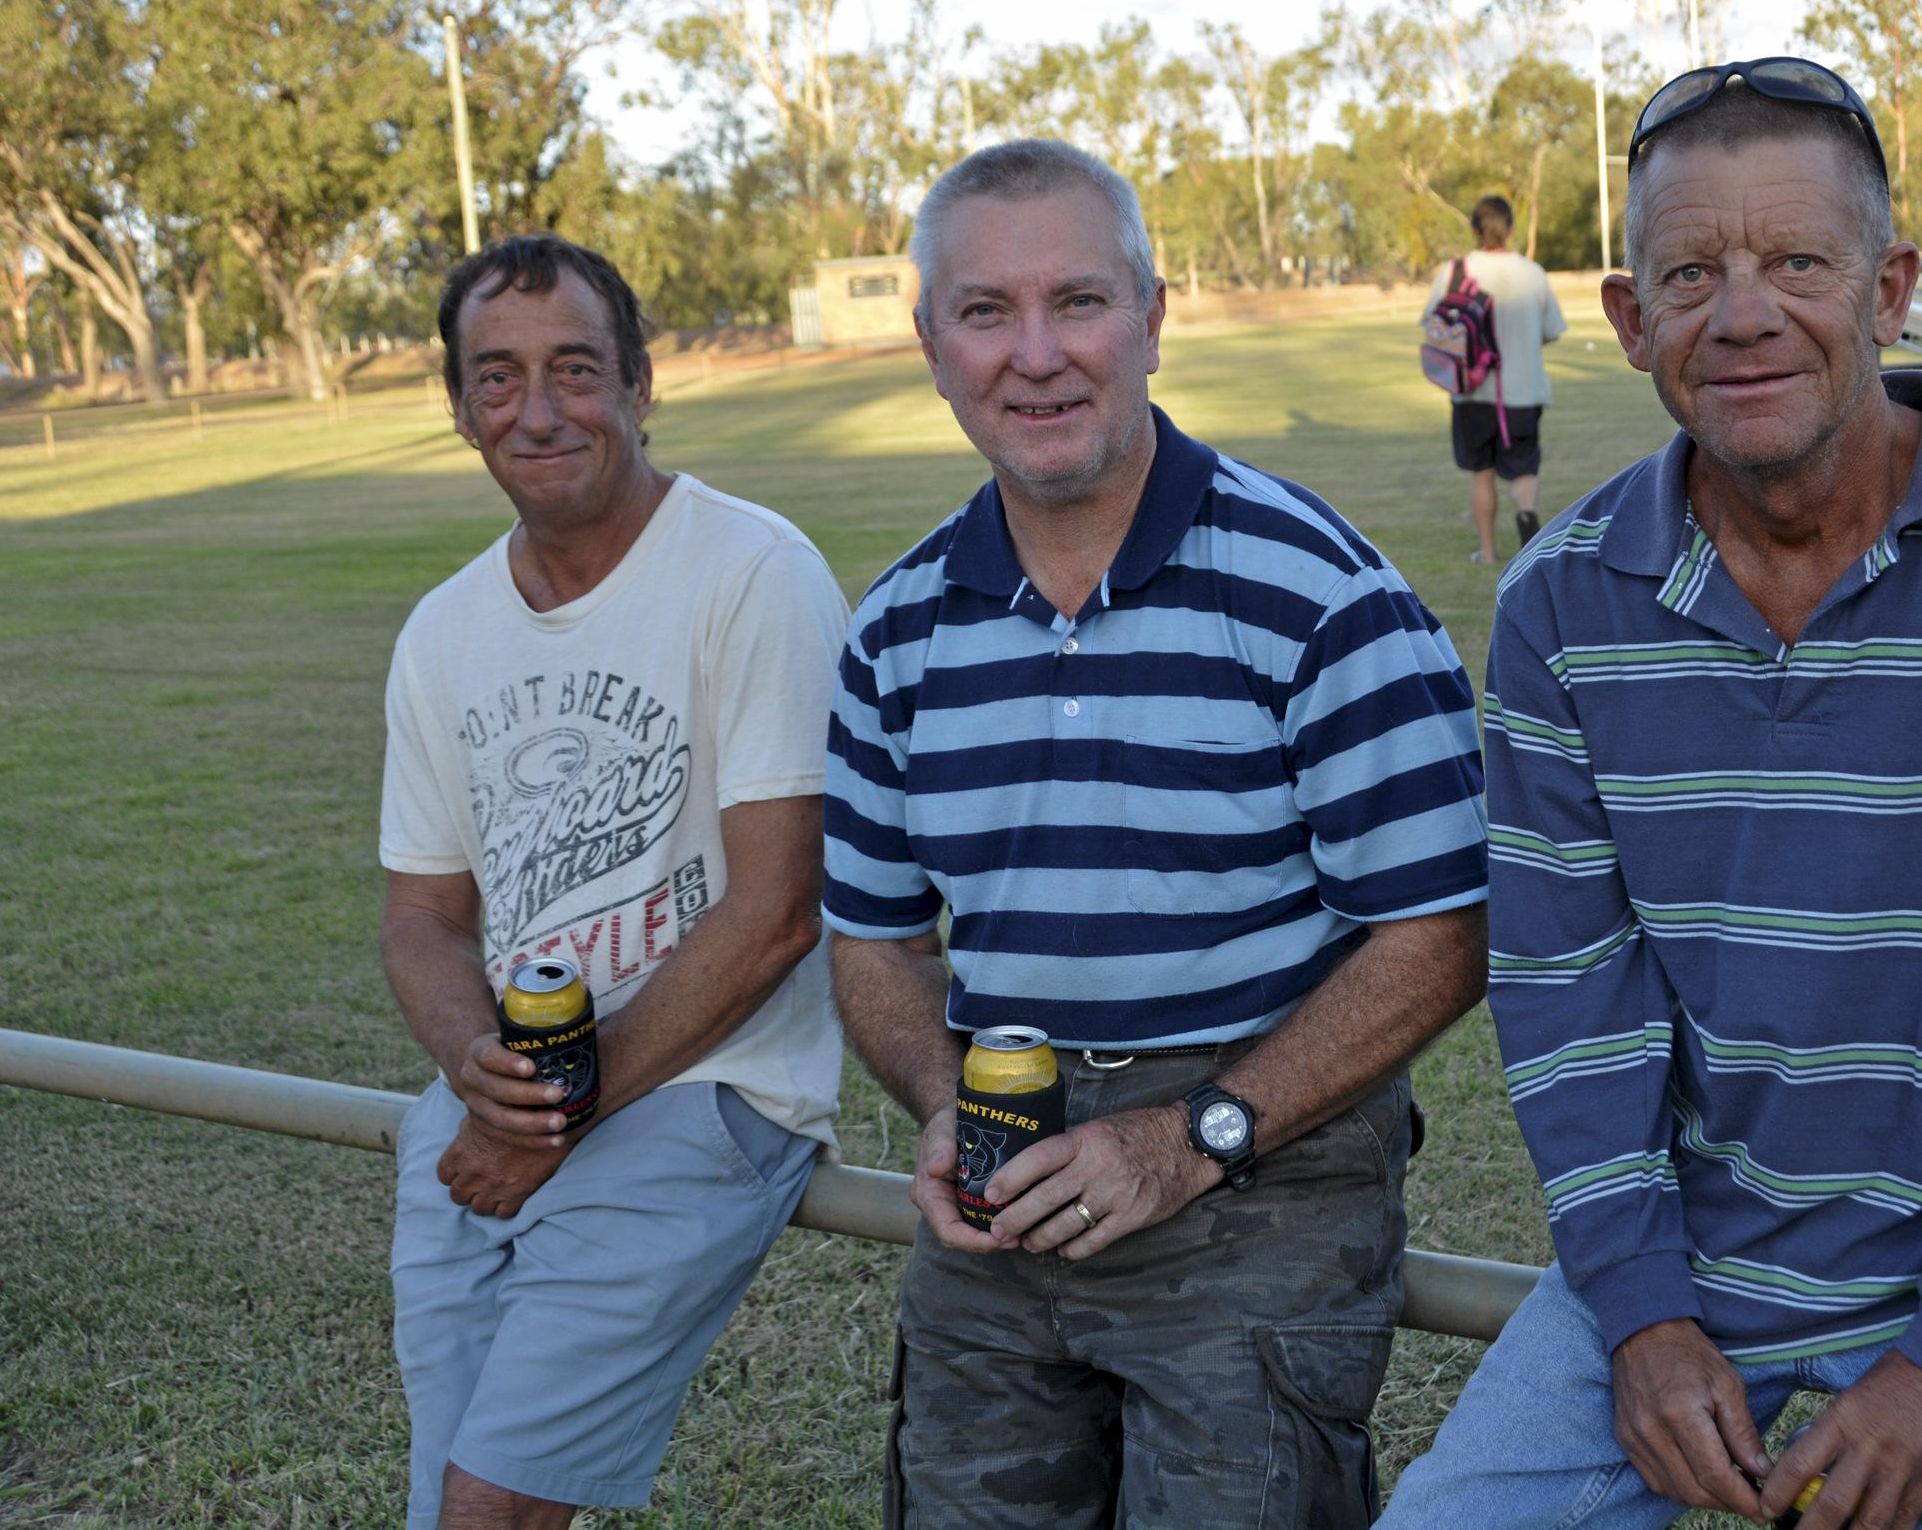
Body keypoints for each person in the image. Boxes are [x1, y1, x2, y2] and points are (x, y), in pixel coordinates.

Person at [1381, 60, 1922, 1530]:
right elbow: (1569, 993)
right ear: (1629, 323)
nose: (1744, 312)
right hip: (1690, 1257)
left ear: (1888, 290)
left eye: (1797, 262)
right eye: (1689, 271)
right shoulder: (1561, 603)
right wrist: (1635, 1311)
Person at [823, 138, 1491, 1528]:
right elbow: (875, 941)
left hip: (1265, 1150)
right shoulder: (893, 632)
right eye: (984, 312)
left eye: (1077, 302)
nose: (1036, 355)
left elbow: (1444, 925)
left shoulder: (1317, 593)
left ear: (1151, 316)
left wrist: (1197, 1133)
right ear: (931, 345)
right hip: (1009, 1154)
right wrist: (946, 1108)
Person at [377, 234, 848, 1530]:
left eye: (575, 369)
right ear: (460, 405)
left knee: (491, 1508)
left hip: (707, 1091)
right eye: (498, 378)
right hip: (496, 1116)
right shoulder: (442, 631)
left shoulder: (752, 575)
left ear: (642, 383)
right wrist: (479, 1063)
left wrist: (543, 1120)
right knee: (445, 1493)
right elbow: (420, 919)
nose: (538, 411)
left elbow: (774, 915)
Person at [1424, 194, 1567, 564]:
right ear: (1511, 229)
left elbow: (1435, 327)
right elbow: (1552, 330)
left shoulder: (1454, 271)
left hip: (1472, 393)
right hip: (1523, 390)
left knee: (1482, 473)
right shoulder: (1533, 273)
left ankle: (1487, 553)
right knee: (1523, 468)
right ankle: (1527, 521)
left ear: (1473, 229)